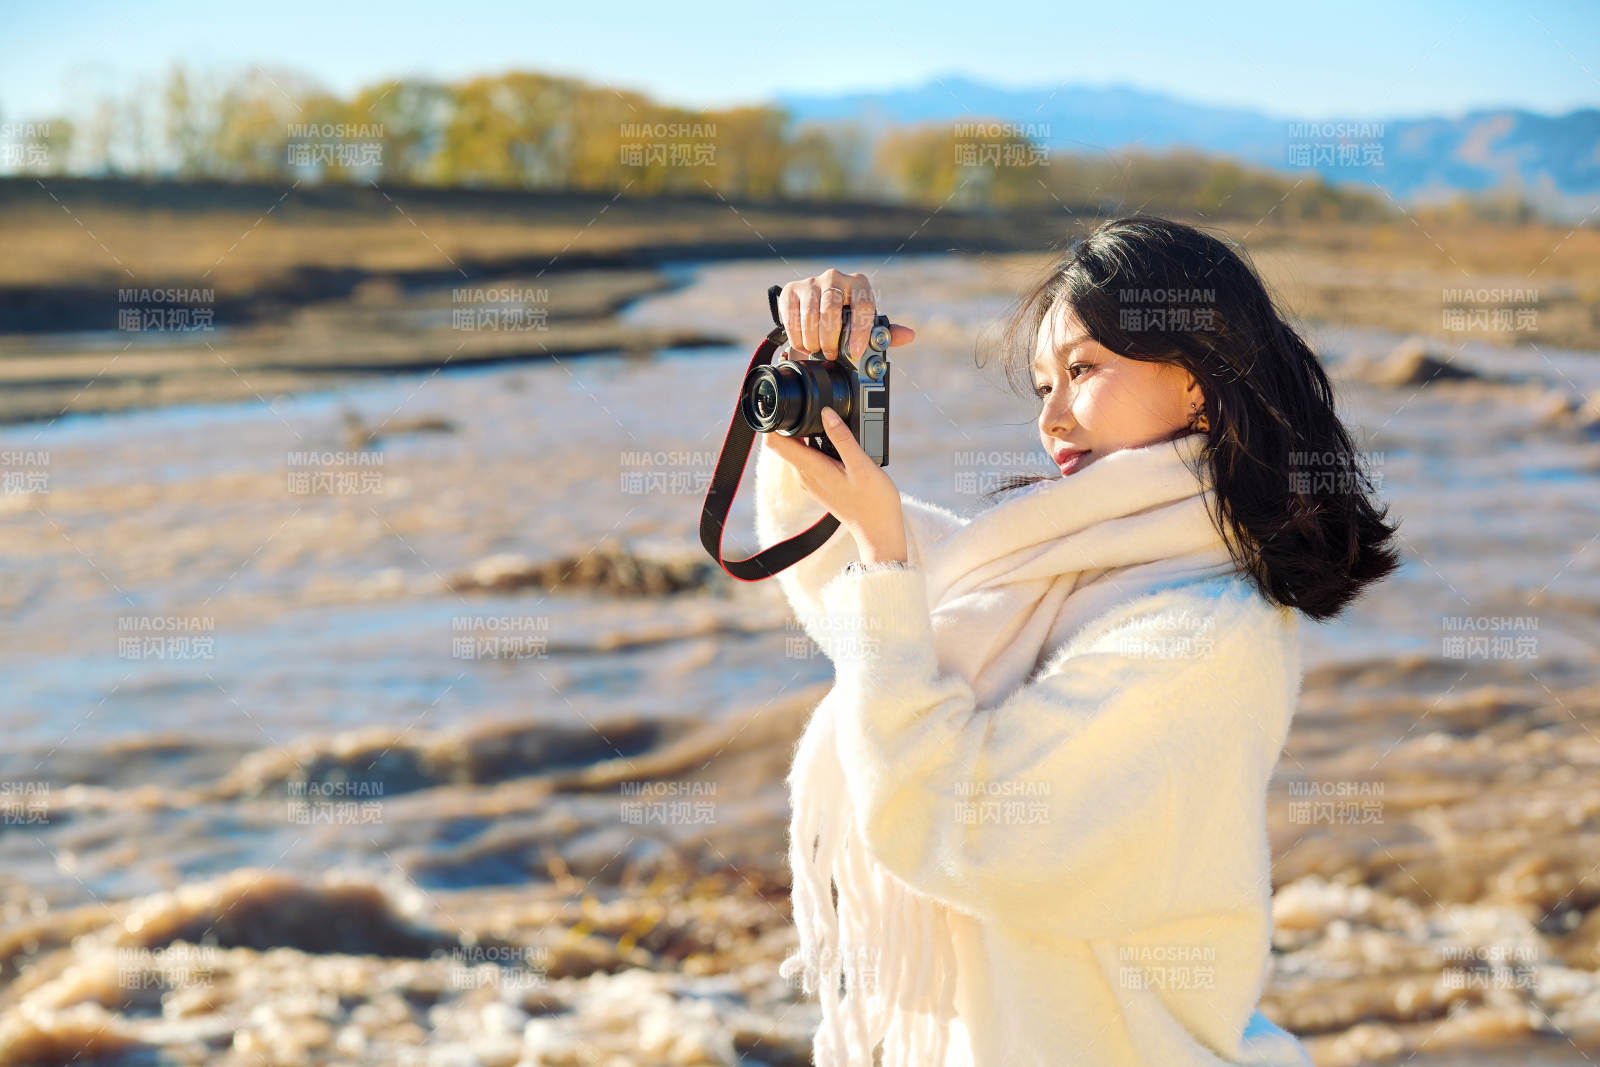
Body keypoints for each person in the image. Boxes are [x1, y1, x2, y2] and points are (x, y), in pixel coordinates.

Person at [753, 215, 1401, 1066]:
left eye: (1083, 369)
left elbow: (950, 813)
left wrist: (883, 556)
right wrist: (815, 397)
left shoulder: (1207, 631)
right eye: (1039, 386)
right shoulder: (1074, 563)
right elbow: (862, 584)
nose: (1052, 417)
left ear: (1201, 380)